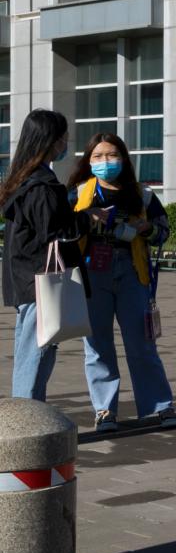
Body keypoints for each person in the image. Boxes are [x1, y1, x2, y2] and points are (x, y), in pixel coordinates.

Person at [69, 133, 176, 431]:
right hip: (91, 273)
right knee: (97, 345)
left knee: (142, 343)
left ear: (123, 158)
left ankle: (159, 406)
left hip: (132, 271)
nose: (105, 162)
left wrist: (145, 228)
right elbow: (62, 229)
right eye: (98, 156)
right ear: (88, 161)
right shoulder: (78, 194)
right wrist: (87, 219)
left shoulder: (142, 195)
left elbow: (163, 232)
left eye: (112, 155)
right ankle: (105, 411)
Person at [1, 110, 84, 402]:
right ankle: (28, 417)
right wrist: (87, 217)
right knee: (36, 353)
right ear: (50, 141)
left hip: (26, 279)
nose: (65, 143)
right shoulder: (41, 185)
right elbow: (57, 231)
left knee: (32, 349)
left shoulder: (22, 179)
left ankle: (27, 413)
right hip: (40, 281)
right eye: (63, 138)